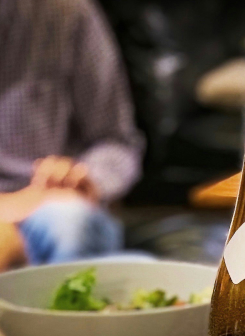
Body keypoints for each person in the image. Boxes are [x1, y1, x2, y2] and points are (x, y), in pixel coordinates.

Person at [0, 0, 144, 270]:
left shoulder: (68, 13)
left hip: (53, 203)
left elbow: (116, 141)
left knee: (70, 223)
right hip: (17, 207)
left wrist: (82, 178)